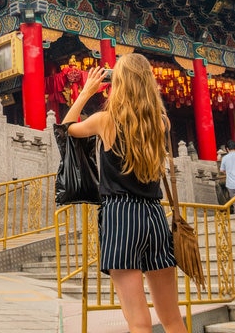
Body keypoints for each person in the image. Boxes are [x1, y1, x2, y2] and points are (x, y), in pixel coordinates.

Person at [63, 55, 184, 333]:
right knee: (172, 318)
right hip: (154, 216)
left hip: (121, 215)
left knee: (138, 321)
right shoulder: (161, 123)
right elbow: (153, 108)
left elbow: (67, 128)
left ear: (118, 83)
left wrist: (86, 91)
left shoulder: (105, 121)